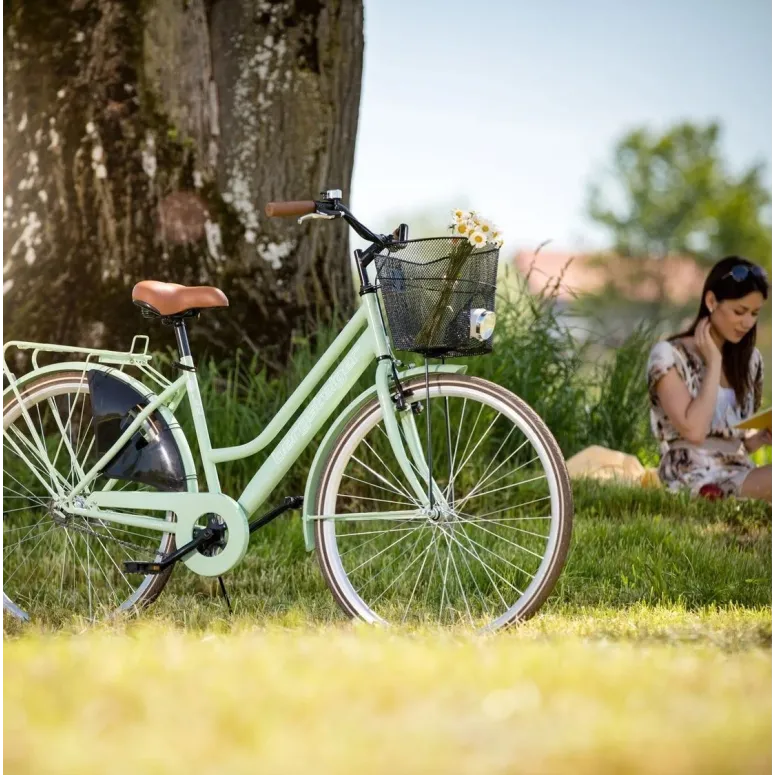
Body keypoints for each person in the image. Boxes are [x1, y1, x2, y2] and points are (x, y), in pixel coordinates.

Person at [646, 256, 771, 502]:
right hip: (690, 474)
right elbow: (694, 431)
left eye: (754, 313)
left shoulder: (750, 360)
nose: (747, 323)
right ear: (711, 301)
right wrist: (713, 363)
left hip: (738, 470)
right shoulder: (669, 356)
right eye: (739, 311)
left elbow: (732, 440)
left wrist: (760, 438)